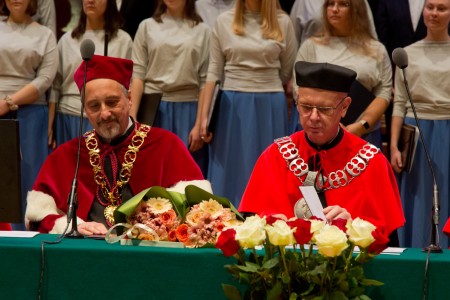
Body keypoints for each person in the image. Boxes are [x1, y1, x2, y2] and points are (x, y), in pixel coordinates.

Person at [25, 55, 211, 235]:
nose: (105, 114)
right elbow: (37, 215)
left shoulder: (165, 145)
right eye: (94, 106)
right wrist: (72, 226)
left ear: (129, 98)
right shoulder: (68, 154)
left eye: (112, 102)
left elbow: (199, 210)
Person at [239, 61, 405, 243]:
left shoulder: (372, 161)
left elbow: (388, 242)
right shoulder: (275, 156)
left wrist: (353, 227)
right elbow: (250, 225)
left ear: (344, 107)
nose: (314, 117)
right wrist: (271, 224)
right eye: (306, 107)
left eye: (325, 109)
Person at [199, 0, 297, 208]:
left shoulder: (283, 22)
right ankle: (222, 223)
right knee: (229, 169)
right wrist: (204, 119)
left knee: (270, 168)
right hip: (231, 104)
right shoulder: (223, 21)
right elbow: (214, 71)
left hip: (270, 103)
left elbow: (287, 69)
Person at [390, 0, 450, 248]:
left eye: (442, 8)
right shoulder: (407, 53)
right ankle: (415, 253)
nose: (434, 13)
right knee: (419, 198)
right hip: (416, 132)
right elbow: (400, 103)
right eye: (430, 7)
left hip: (447, 128)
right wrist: (394, 146)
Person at [294, 0, 392, 150]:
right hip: (317, 132)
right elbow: (298, 87)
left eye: (342, 4)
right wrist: (329, 123)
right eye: (330, 4)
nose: (334, 9)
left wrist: (361, 126)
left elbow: (384, 91)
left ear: (357, 10)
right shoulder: (311, 46)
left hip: (365, 133)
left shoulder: (376, 49)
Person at [130, 0, 210, 177]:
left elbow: (205, 80)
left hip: (188, 109)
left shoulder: (202, 30)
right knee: (151, 173)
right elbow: (138, 73)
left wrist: (199, 124)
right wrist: (132, 116)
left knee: (185, 175)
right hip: (153, 110)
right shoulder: (147, 26)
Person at [0, 0, 58, 229]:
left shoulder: (44, 34)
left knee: (28, 179)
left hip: (31, 113)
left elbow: (45, 78)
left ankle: (26, 239)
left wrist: (8, 102)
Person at [49, 0, 132, 147]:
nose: (90, 1)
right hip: (68, 116)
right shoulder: (67, 40)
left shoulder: (122, 40)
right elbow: (55, 86)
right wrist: (50, 125)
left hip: (106, 117)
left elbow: (129, 84)